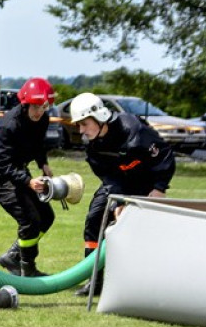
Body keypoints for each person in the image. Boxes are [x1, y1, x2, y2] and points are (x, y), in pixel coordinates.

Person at [69, 92, 175, 296]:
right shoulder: (91, 145)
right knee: (95, 219)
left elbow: (165, 155)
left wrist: (159, 187)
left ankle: (144, 281)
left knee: (140, 230)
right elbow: (107, 175)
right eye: (79, 125)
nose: (81, 130)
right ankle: (95, 280)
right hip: (117, 182)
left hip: (147, 183)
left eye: (84, 123)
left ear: (99, 117)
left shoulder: (134, 130)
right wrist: (118, 201)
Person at [0, 77, 56, 277]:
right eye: (35, 107)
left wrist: (43, 164)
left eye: (43, 106)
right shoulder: (6, 126)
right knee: (30, 221)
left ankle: (13, 256)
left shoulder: (42, 119)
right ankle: (28, 269)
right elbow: (3, 164)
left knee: (47, 217)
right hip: (0, 176)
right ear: (24, 103)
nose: (39, 112)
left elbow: (38, 143)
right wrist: (27, 181)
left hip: (21, 172)